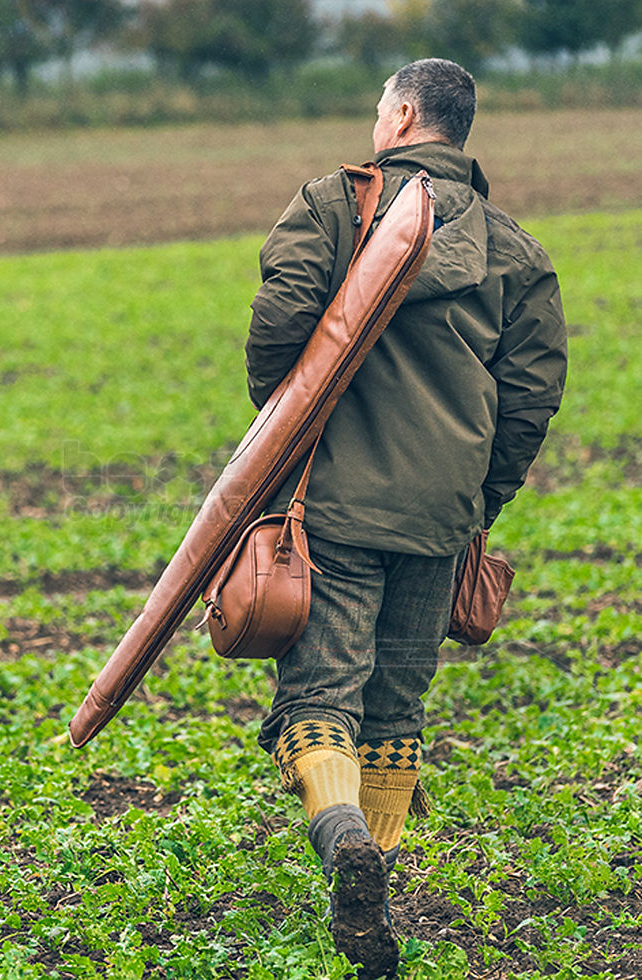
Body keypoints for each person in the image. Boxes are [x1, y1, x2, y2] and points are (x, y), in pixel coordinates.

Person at [246, 59, 567, 979]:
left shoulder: (336, 205)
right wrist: (476, 501)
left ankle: (344, 840)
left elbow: (277, 331)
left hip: (338, 501)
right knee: (395, 707)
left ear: (405, 114)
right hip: (442, 516)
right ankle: (375, 882)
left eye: (381, 107)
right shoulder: (515, 249)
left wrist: (288, 444)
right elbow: (530, 400)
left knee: (321, 698)